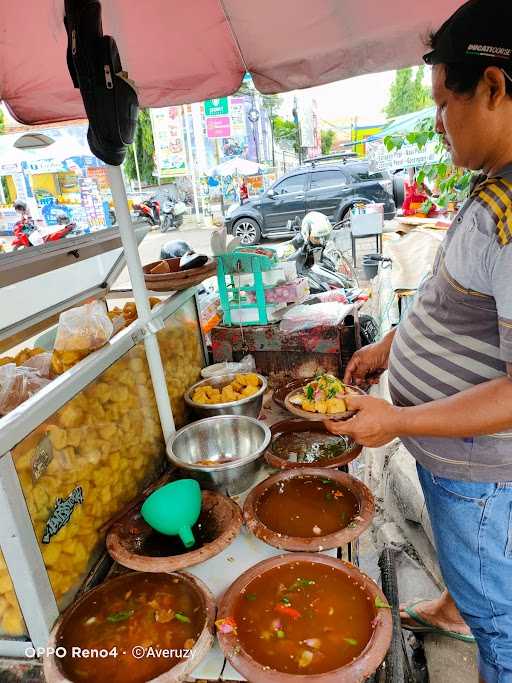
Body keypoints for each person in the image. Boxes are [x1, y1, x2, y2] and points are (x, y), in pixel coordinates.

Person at [325, 2, 512, 682]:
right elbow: (454, 304)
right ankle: (459, 600)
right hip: (450, 463)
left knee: (503, 625)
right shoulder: (490, 183)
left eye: (443, 102)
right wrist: (391, 349)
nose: (438, 121)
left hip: (479, 475)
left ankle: (480, 619)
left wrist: (398, 419)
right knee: (475, 580)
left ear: (492, 87)